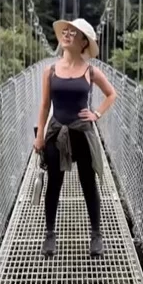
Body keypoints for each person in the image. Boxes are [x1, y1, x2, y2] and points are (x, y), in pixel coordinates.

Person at [34, 18, 117, 257]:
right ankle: (49, 234)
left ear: (83, 42)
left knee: (88, 183)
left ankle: (96, 235)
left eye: (74, 33)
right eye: (66, 31)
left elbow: (112, 93)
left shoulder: (91, 71)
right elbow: (44, 105)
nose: (68, 34)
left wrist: (97, 113)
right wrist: (39, 135)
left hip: (82, 131)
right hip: (56, 131)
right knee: (54, 183)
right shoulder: (50, 71)